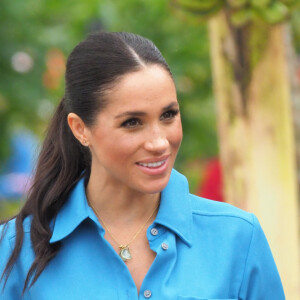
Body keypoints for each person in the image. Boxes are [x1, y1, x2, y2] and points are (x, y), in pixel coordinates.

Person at [0, 32, 285, 300]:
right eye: (132, 122)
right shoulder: (15, 249)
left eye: (168, 115)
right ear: (80, 129)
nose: (159, 142)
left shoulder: (238, 237)